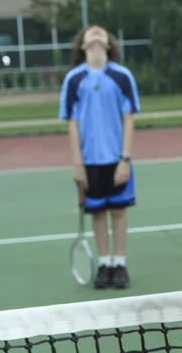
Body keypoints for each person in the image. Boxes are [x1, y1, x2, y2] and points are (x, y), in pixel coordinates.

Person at [59, 25, 140, 290]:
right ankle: (104, 264)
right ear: (82, 45)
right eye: (89, 32)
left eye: (100, 31)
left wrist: (124, 159)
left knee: (118, 212)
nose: (95, 32)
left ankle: (120, 264)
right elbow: (72, 124)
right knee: (97, 214)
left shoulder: (122, 76)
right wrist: (77, 164)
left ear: (108, 43)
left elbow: (128, 120)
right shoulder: (73, 79)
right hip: (88, 163)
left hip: (117, 160)